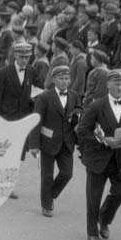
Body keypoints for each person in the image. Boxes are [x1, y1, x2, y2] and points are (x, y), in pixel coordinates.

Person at [75, 69, 121, 240]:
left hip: (120, 160)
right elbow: (82, 130)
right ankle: (92, 231)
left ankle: (104, 219)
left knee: (120, 193)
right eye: (116, 84)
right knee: (94, 197)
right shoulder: (96, 106)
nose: (120, 87)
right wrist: (104, 141)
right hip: (98, 159)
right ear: (108, 85)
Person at [33, 64, 81, 218]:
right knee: (47, 175)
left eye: (67, 78)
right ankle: (46, 205)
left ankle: (50, 194)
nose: (64, 81)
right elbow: (36, 121)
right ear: (54, 79)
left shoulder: (74, 96)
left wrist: (77, 114)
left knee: (67, 173)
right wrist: (33, 145)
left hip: (67, 142)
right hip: (48, 141)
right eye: (60, 78)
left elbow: (80, 109)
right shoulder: (44, 97)